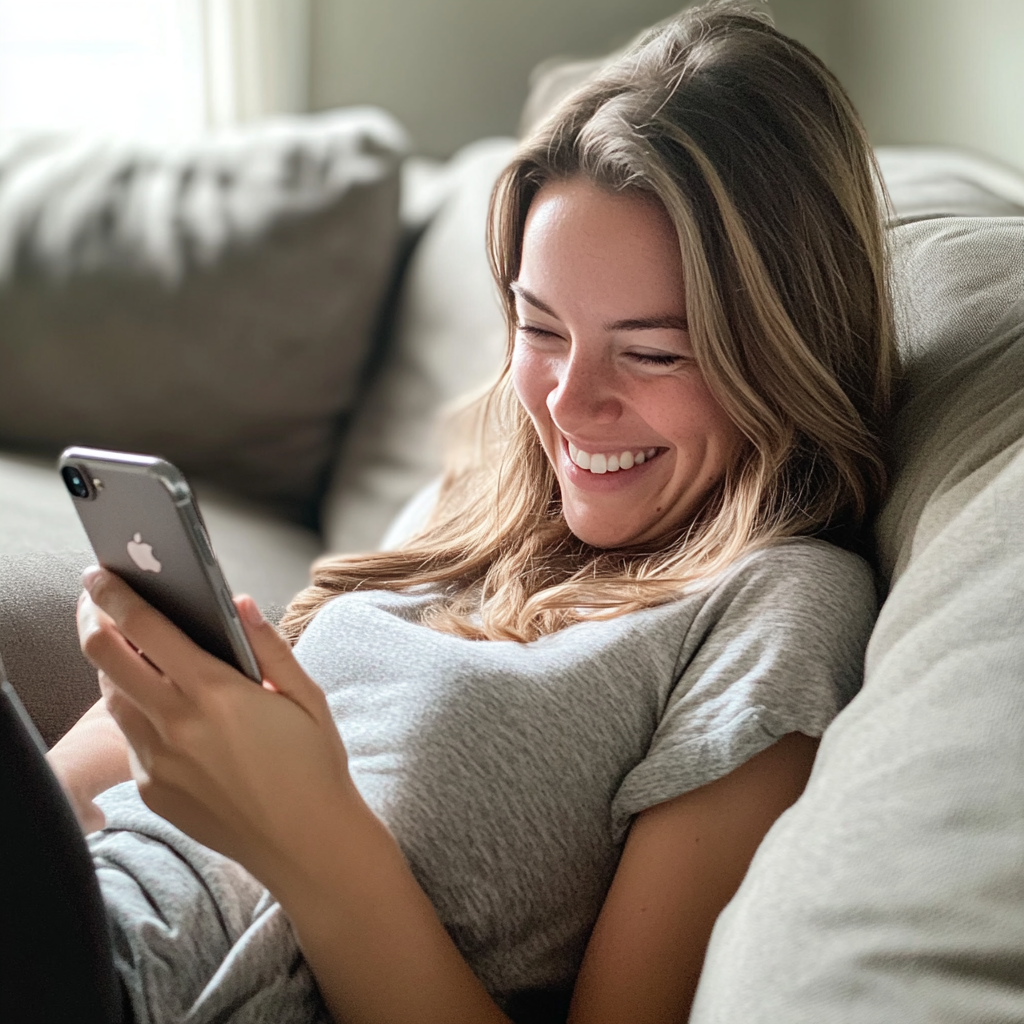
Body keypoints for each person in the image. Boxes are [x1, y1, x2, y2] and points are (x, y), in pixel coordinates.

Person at [6, 3, 896, 1022]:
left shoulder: (780, 608)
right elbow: (69, 800)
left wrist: (310, 833)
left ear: (785, 350)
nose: (567, 402)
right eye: (540, 327)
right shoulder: (473, 514)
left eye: (649, 351)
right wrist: (152, 692)